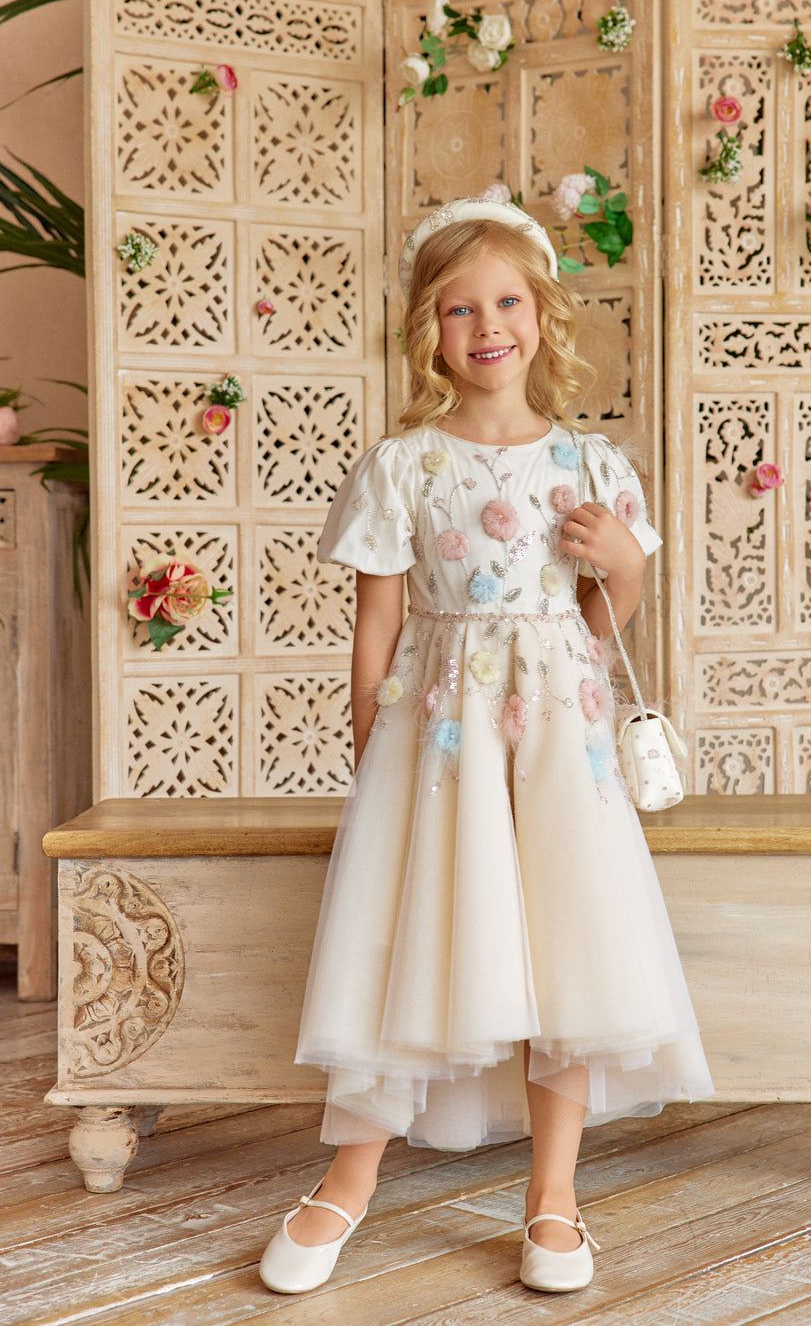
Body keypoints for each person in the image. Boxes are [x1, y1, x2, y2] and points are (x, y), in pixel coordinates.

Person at [259, 196, 712, 1297]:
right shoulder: (404, 465)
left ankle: (552, 1197)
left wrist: (626, 562)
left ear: (542, 315)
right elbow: (375, 625)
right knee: (404, 941)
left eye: (507, 300)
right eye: (459, 307)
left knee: (567, 947)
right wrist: (370, 744)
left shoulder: (594, 465)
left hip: (561, 741)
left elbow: (606, 622)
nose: (486, 325)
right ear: (430, 328)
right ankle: (347, 1179)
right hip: (439, 745)